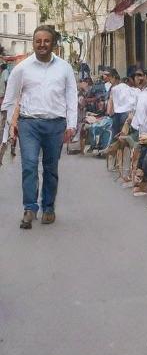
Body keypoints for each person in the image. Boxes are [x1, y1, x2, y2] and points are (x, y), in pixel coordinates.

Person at [2, 25, 79, 228]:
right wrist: (12, 124)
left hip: (56, 125)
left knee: (50, 169)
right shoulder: (22, 68)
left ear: (53, 43)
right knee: (28, 166)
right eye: (38, 41)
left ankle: (48, 207)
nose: (42, 44)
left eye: (46, 41)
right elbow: (10, 99)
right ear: (33, 43)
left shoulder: (65, 68)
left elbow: (72, 97)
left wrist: (71, 124)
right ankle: (29, 208)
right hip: (29, 124)